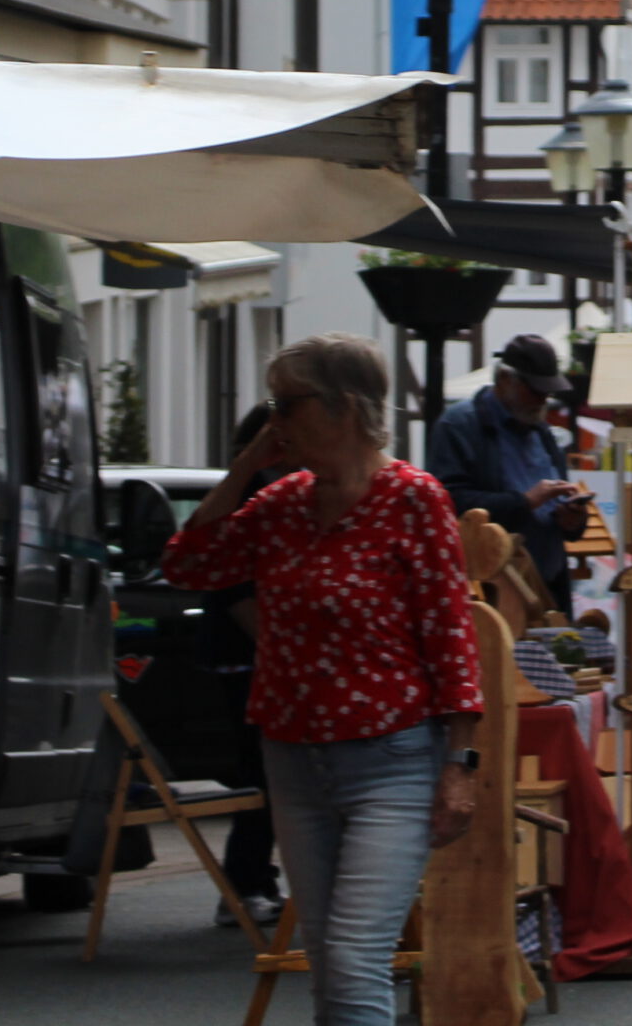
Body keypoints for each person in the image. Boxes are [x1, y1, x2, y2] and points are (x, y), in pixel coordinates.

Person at [165, 335, 483, 1026]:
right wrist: (248, 461)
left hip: (391, 759)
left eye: (286, 402)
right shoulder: (280, 504)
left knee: (355, 955)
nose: (274, 416)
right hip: (293, 759)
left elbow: (452, 638)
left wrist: (460, 763)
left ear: (343, 407)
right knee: (327, 960)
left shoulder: (414, 500)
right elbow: (187, 564)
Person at [426, 334, 590, 606]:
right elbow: (447, 504)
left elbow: (560, 513)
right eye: (536, 390)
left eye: (548, 392)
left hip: (548, 590)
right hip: (492, 594)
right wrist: (523, 502)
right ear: (505, 379)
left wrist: (572, 520)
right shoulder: (459, 426)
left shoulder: (542, 430)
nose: (543, 400)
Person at [201, 404, 286, 929]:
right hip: (244, 655)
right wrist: (278, 647)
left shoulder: (268, 485)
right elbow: (232, 585)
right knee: (264, 774)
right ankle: (245, 883)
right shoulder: (255, 488)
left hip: (246, 651)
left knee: (265, 775)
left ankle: (254, 880)